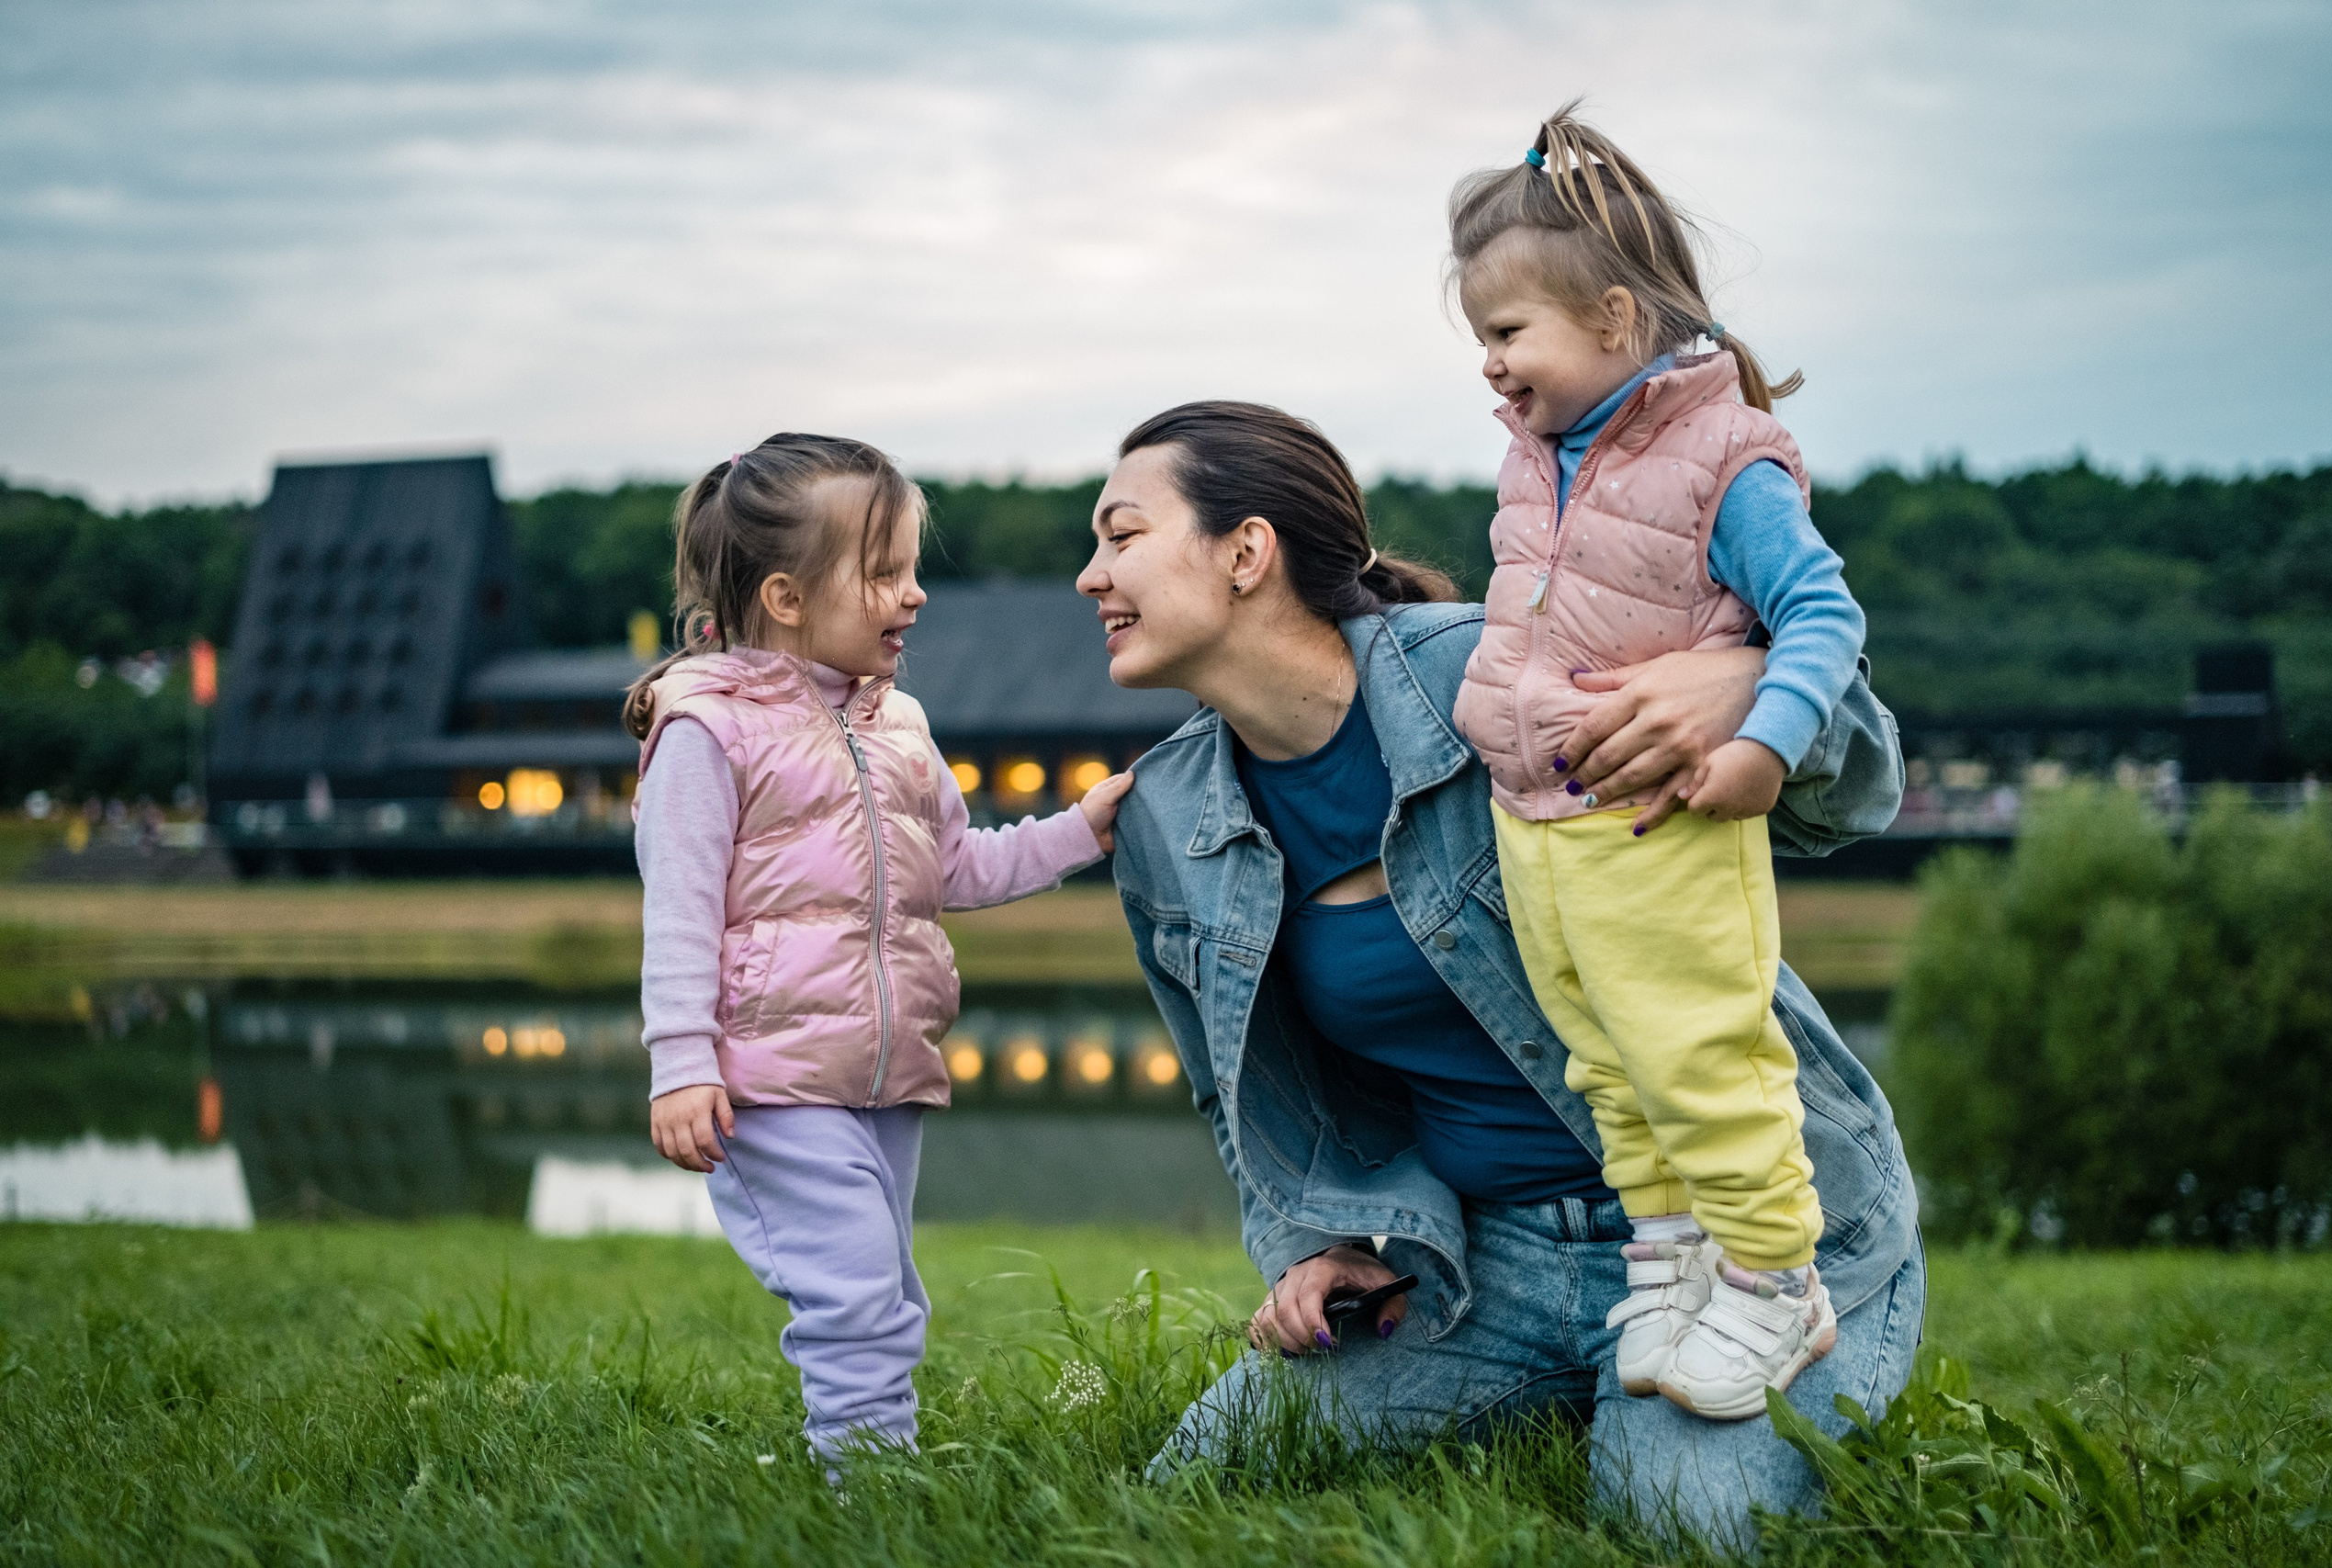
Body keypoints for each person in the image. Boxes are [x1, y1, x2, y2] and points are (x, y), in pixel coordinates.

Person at [1080, 400, 1919, 1544]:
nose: (1090, 576)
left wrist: (1750, 683)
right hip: (1480, 1265)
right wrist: (1311, 1248)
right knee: (1196, 1490)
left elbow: (1858, 789)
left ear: (1245, 553)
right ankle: (1578, 1398)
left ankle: (1716, 1406)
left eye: (1120, 535)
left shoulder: (1504, 669)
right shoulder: (1164, 820)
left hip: (1741, 1235)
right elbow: (1234, 1094)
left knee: (1682, 1532)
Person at [1448, 104, 1868, 1419]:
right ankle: (1679, 1254)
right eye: (1480, 341)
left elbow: (1824, 615)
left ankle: (1773, 1276)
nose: (1491, 368)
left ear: (1618, 322)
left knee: (1701, 1054)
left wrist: (1761, 743)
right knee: (1607, 1060)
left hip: (1659, 826)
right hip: (1541, 822)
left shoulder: (1722, 459)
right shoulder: (1537, 461)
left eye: (1507, 335)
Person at [624, 433, 1132, 1475]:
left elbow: (957, 867)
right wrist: (681, 1063)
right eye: (884, 573)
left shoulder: (897, 723)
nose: (914, 596)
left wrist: (1080, 831)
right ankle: (873, 1490)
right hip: (769, 1080)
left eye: (911, 569)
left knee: (885, 1288)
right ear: (787, 596)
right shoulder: (707, 733)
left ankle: (858, 1461)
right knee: (854, 1288)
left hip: (885, 1076)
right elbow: (677, 911)